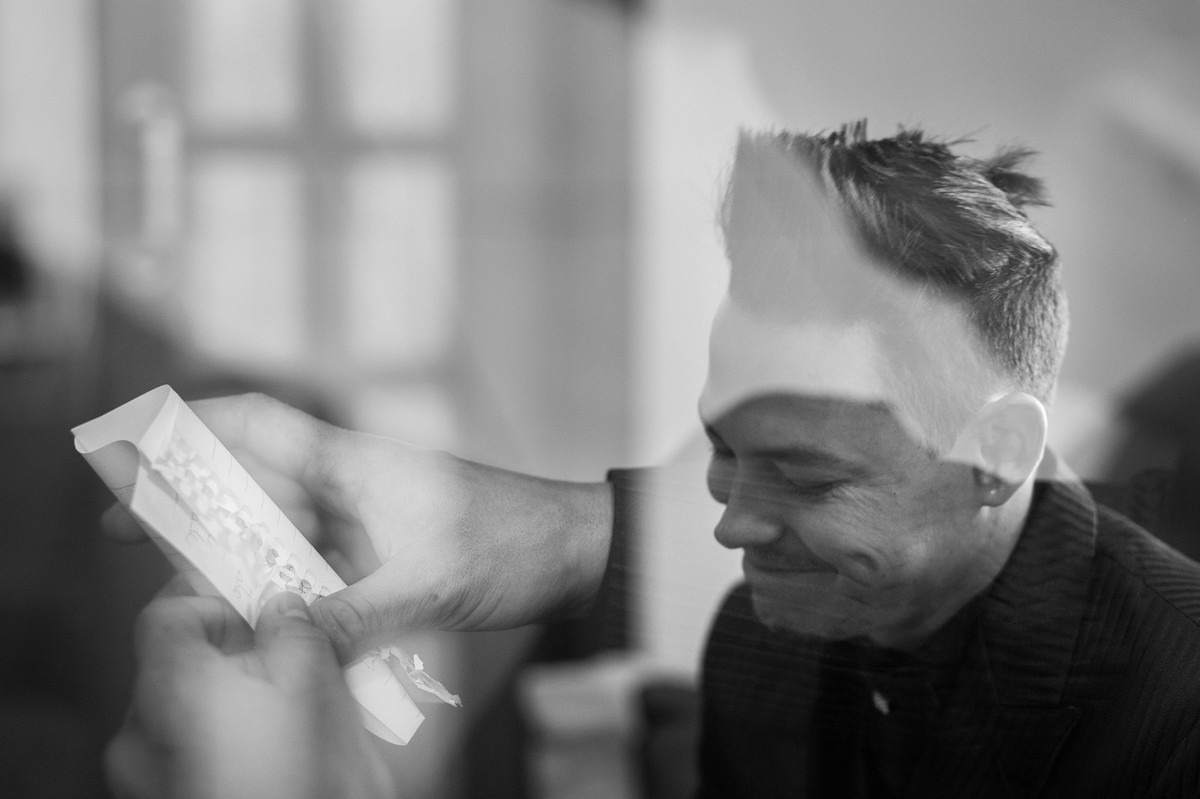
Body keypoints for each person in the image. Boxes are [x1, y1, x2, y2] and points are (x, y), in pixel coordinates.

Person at [104, 123, 1200, 797]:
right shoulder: (771, 633)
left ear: (998, 453)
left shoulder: (1173, 724)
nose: (728, 525)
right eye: (723, 450)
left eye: (809, 476)